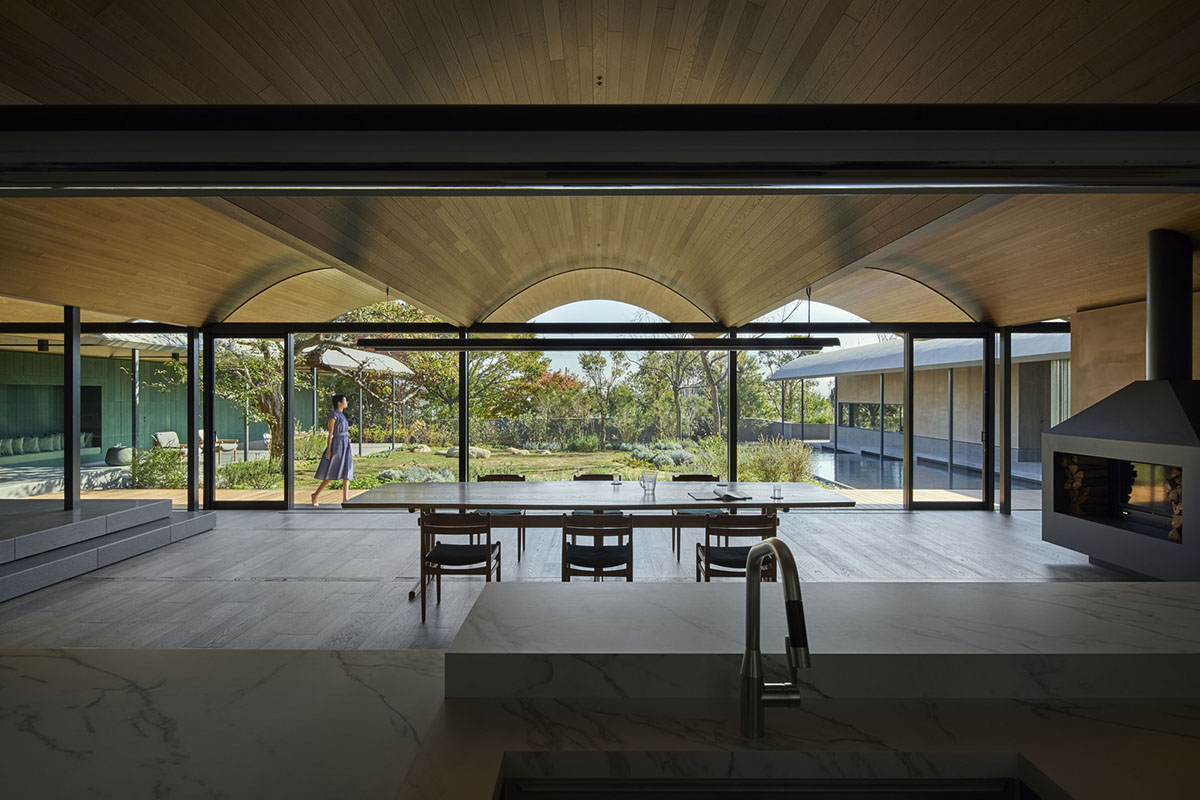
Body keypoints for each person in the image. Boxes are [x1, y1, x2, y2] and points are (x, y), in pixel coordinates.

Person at [311, 394, 353, 506]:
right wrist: (329, 450)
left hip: (345, 443)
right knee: (332, 471)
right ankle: (315, 495)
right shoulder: (334, 415)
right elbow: (330, 434)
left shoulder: (343, 415)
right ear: (339, 403)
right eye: (345, 400)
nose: (346, 402)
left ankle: (345, 499)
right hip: (337, 443)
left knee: (346, 470)